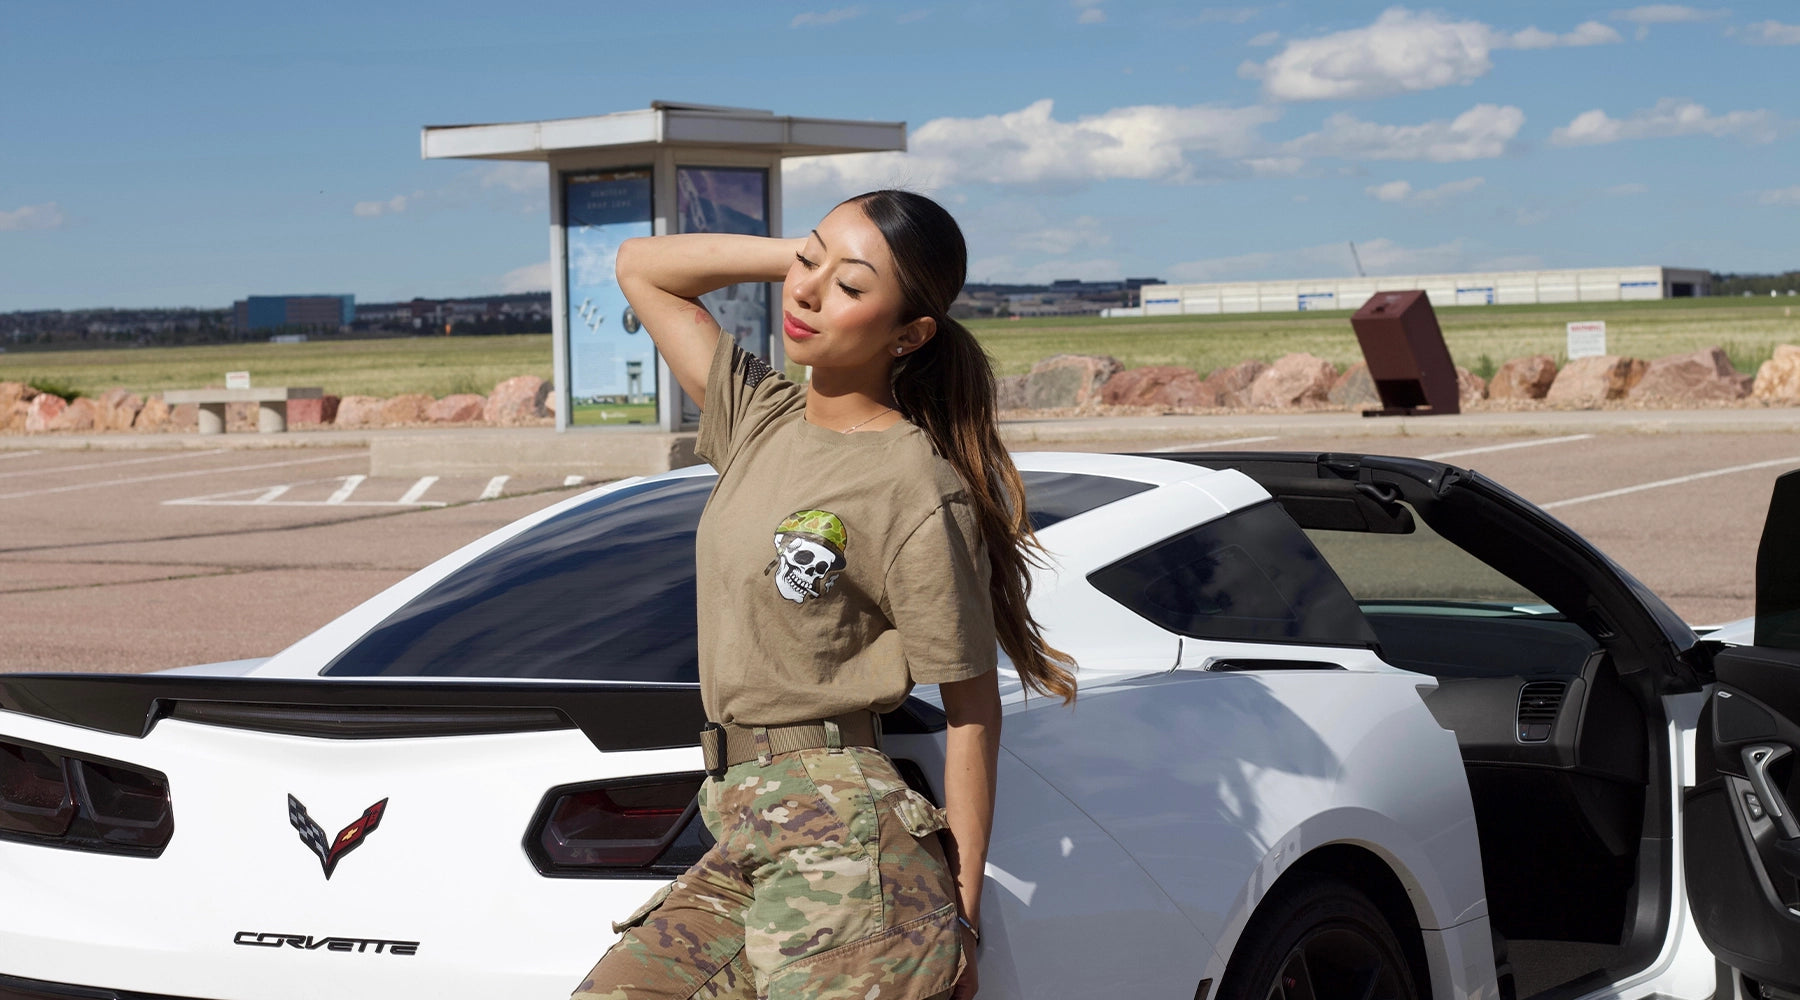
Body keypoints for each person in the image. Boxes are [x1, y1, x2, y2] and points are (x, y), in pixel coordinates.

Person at [572, 190, 1076, 1000]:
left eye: (851, 288)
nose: (806, 294)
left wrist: (965, 912)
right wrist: (813, 257)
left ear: (910, 334)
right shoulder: (757, 416)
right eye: (808, 266)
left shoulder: (913, 483)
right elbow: (642, 268)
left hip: (845, 840)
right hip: (740, 826)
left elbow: (973, 706)